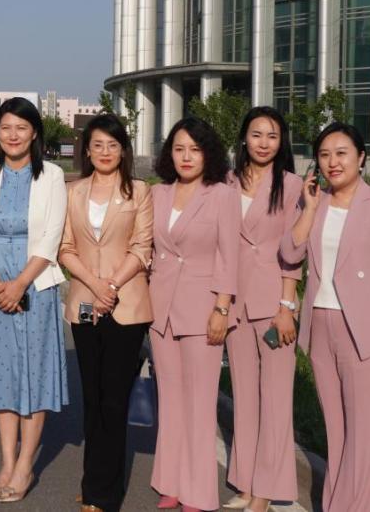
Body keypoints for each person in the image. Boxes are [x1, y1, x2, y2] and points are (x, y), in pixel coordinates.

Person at [280, 123, 370, 512]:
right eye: (324, 154)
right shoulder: (314, 202)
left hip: (366, 330)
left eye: (341, 153)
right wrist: (309, 208)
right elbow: (290, 254)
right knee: (337, 431)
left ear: (361, 157)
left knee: (364, 435)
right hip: (320, 327)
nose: (333, 162)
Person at [0, 97, 68, 504]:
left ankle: (26, 465)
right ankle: (7, 462)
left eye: (21, 128)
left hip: (35, 284)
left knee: (34, 372)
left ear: (34, 133)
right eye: (6, 127)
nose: (13, 135)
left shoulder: (53, 176)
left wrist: (20, 284)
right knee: (1, 374)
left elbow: (51, 236)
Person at [57, 113, 153, 512]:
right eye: (97, 145)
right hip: (84, 302)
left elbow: (142, 247)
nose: (105, 152)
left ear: (123, 150)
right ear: (87, 150)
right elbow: (65, 247)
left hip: (126, 304)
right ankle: (93, 480)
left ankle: (105, 494)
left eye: (112, 145)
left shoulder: (139, 192)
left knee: (114, 400)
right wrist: (95, 286)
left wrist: (110, 286)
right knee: (92, 397)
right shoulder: (72, 192)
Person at [149, 117, 239, 512]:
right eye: (179, 149)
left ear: (208, 154)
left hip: (204, 309)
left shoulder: (222, 195)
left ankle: (198, 491)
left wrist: (222, 307)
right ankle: (170, 481)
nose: (186, 157)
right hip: (161, 309)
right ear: (169, 153)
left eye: (195, 149)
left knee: (200, 404)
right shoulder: (158, 193)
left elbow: (230, 256)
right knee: (169, 400)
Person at [224, 107, 304, 512]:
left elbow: (294, 250)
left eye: (273, 136)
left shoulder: (291, 185)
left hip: (274, 303)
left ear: (281, 142)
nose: (264, 143)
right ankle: (245, 480)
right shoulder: (226, 181)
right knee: (244, 395)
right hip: (234, 302)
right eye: (257, 134)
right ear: (244, 138)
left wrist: (287, 305)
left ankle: (266, 491)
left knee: (275, 400)